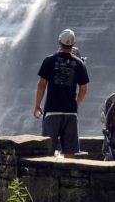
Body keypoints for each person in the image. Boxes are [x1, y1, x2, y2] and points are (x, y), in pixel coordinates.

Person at [33, 29, 89, 158]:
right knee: (70, 151)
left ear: (59, 42)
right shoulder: (79, 64)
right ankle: (70, 177)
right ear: (73, 44)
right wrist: (76, 103)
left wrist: (37, 105)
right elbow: (84, 89)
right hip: (70, 112)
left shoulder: (49, 60)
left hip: (52, 111)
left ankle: (47, 176)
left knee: (48, 150)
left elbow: (42, 85)